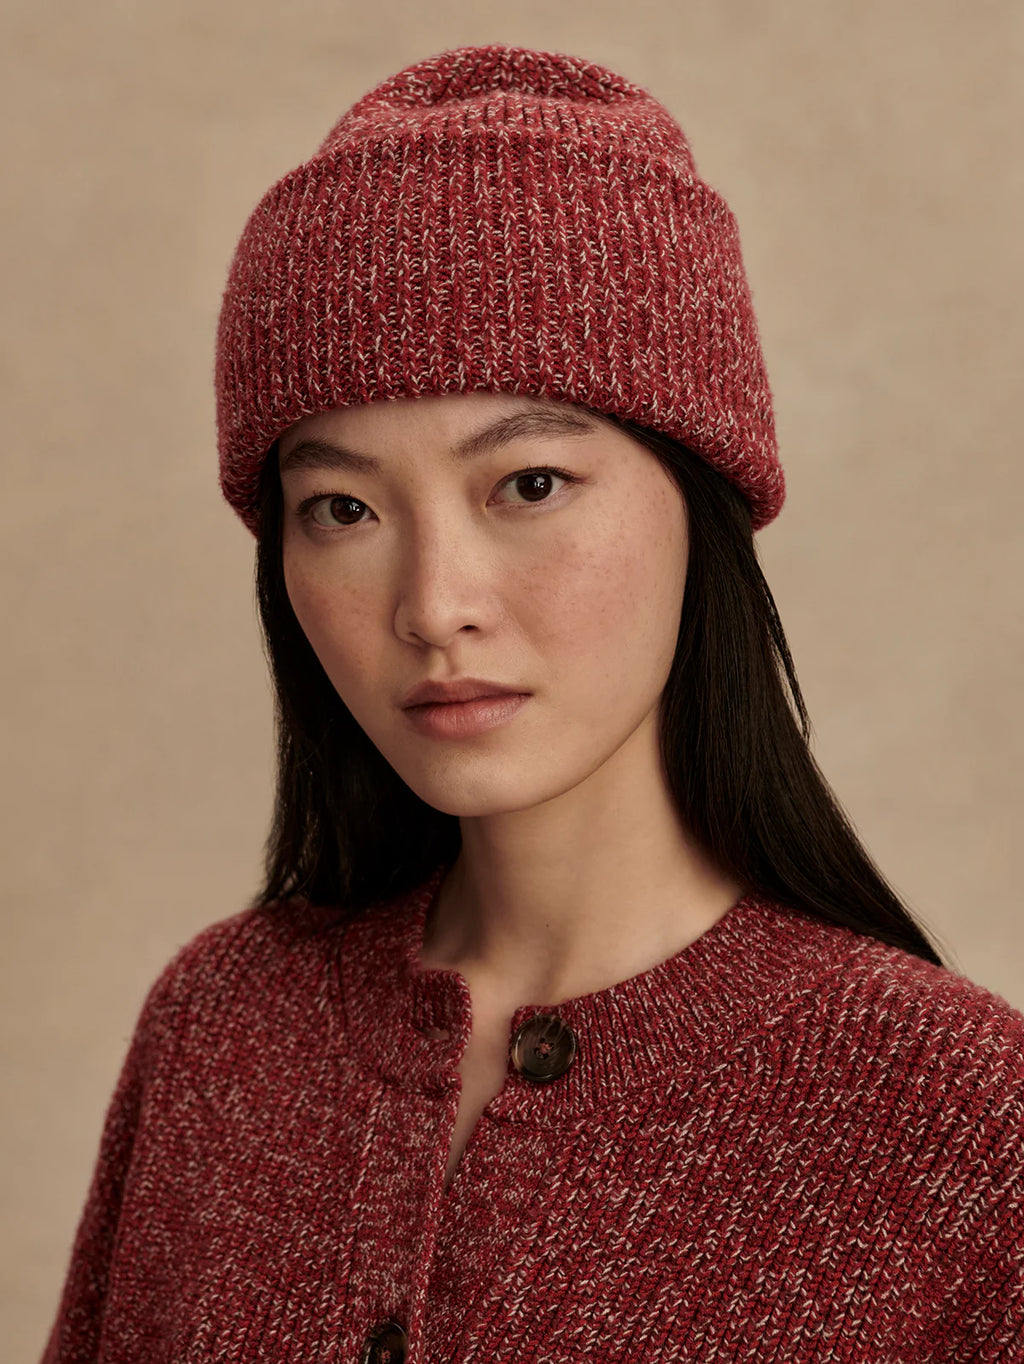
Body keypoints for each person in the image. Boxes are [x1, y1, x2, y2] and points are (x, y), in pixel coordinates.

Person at [41, 43, 1023, 1364]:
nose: (434, 604)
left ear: (699, 496)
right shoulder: (223, 1033)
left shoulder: (965, 1129)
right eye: (343, 509)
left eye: (531, 484)